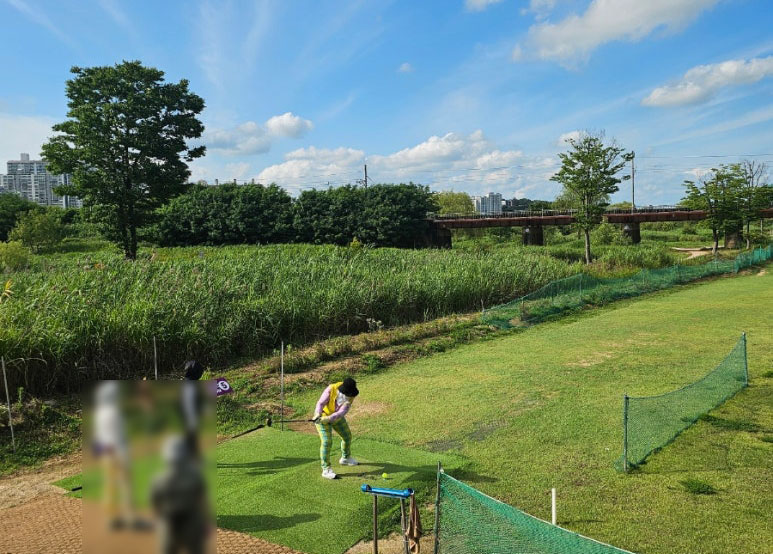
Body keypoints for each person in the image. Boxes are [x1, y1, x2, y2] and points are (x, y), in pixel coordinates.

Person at [151, 435, 210, 554]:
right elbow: (202, 502)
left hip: (169, 525)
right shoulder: (195, 476)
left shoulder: (158, 480)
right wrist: (205, 522)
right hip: (191, 524)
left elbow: (156, 506)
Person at [313, 377, 359, 479]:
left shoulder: (350, 396)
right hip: (321, 417)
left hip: (336, 418)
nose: (349, 397)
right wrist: (318, 414)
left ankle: (345, 458)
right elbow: (320, 403)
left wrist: (329, 418)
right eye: (348, 394)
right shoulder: (331, 389)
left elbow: (341, 412)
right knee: (326, 442)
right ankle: (326, 469)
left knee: (347, 437)